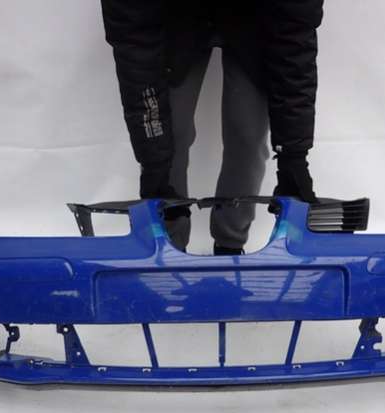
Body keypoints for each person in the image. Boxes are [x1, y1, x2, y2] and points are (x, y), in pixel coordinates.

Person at [100, 0, 323, 254]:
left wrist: (293, 155)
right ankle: (167, 246)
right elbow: (135, 41)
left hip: (256, 17)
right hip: (173, 17)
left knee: (248, 134)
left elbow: (294, 40)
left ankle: (230, 248)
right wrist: (153, 164)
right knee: (171, 135)